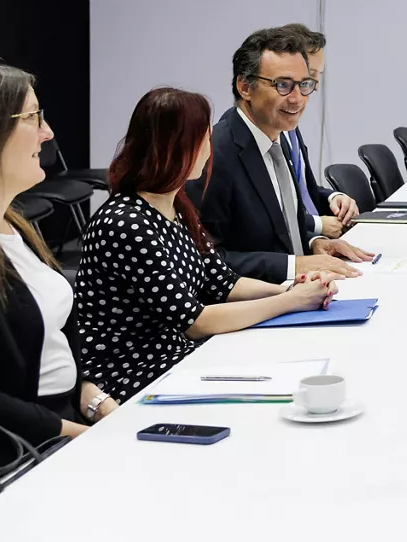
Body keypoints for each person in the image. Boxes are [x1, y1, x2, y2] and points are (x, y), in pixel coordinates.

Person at [78, 88, 340, 403]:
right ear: (179, 146)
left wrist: (292, 288)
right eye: (205, 137)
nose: (210, 147)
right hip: (139, 375)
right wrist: (290, 301)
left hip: (180, 359)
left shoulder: (176, 206)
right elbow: (194, 322)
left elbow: (222, 281)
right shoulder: (125, 224)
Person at [0, 64, 117, 467]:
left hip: (63, 424)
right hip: (18, 453)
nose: (48, 132)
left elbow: (56, 346)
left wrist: (99, 405)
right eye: (33, 117)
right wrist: (83, 435)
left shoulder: (16, 225)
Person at [193, 27, 373, 283]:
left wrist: (314, 243)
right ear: (245, 87)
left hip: (305, 288)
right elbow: (205, 260)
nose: (297, 99)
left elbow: (281, 229)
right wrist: (295, 264)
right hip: (261, 299)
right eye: (283, 85)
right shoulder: (214, 154)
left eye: (305, 85)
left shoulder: (279, 137)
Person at [260, 23, 358, 238]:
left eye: (317, 75)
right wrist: (317, 226)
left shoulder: (290, 127)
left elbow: (300, 190)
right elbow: (267, 210)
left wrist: (333, 198)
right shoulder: (263, 131)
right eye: (310, 75)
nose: (315, 85)